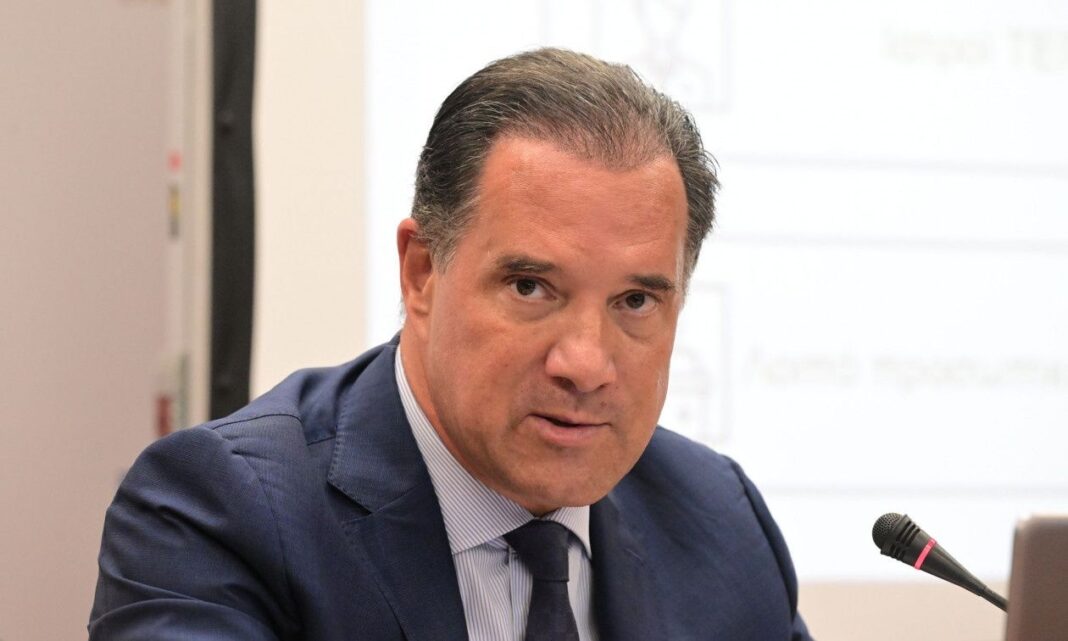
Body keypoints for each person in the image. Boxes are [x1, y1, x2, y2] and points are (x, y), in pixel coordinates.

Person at [90, 48, 812, 640]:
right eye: (531, 286)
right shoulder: (221, 513)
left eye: (635, 301)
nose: (586, 364)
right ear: (422, 272)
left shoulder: (720, 523)